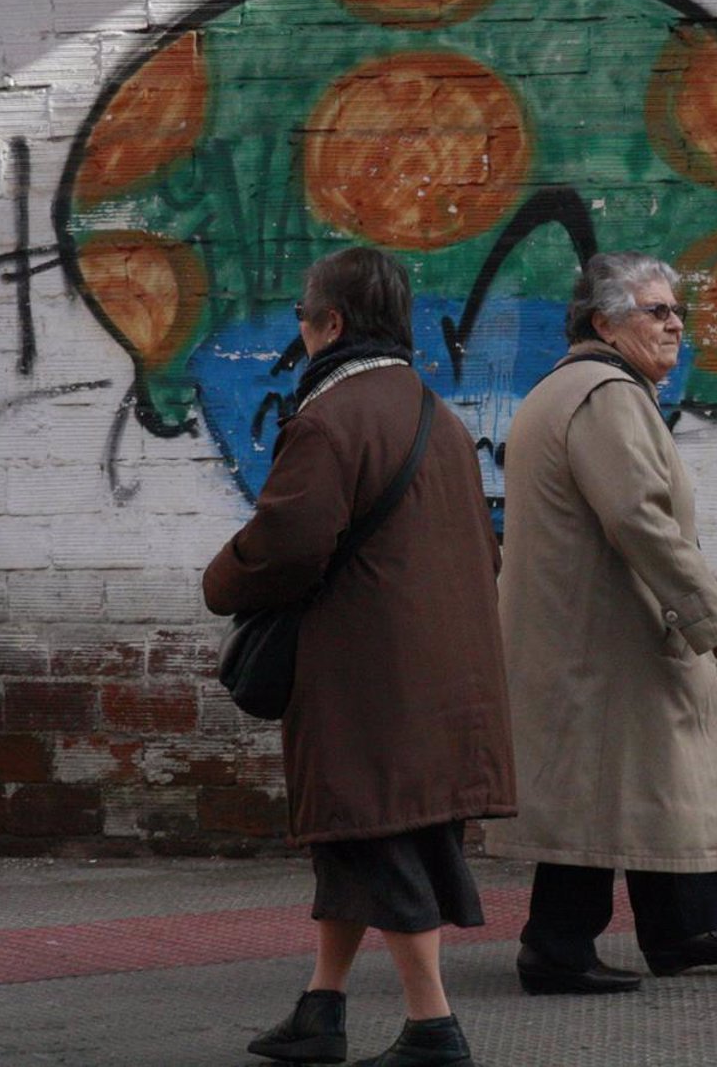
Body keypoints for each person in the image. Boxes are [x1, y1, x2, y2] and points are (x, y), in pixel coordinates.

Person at [203, 246, 514, 1067]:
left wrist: (221, 577)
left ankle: (432, 1029)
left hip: (365, 672)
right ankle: (322, 1008)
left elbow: (289, 545)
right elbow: (486, 549)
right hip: (438, 670)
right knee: (353, 832)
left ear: (332, 324)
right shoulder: (433, 414)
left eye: (304, 317)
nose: (299, 333)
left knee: (379, 834)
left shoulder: (330, 417)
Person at [487, 251, 717, 995]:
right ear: (604, 322)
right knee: (600, 787)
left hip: (590, 628)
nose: (674, 323)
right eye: (656, 310)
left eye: (676, 310)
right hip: (601, 633)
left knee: (639, 779)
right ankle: (556, 949)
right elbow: (640, 518)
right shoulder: (605, 396)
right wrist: (709, 614)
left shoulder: (576, 388)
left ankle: (680, 929)